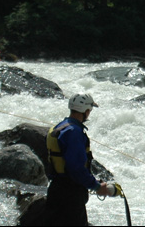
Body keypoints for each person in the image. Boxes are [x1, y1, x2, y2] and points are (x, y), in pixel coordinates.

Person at [45, 93, 111, 226]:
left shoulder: (60, 126)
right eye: (90, 110)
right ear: (86, 111)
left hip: (56, 189)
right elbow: (76, 168)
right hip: (70, 195)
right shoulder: (74, 132)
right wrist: (96, 186)